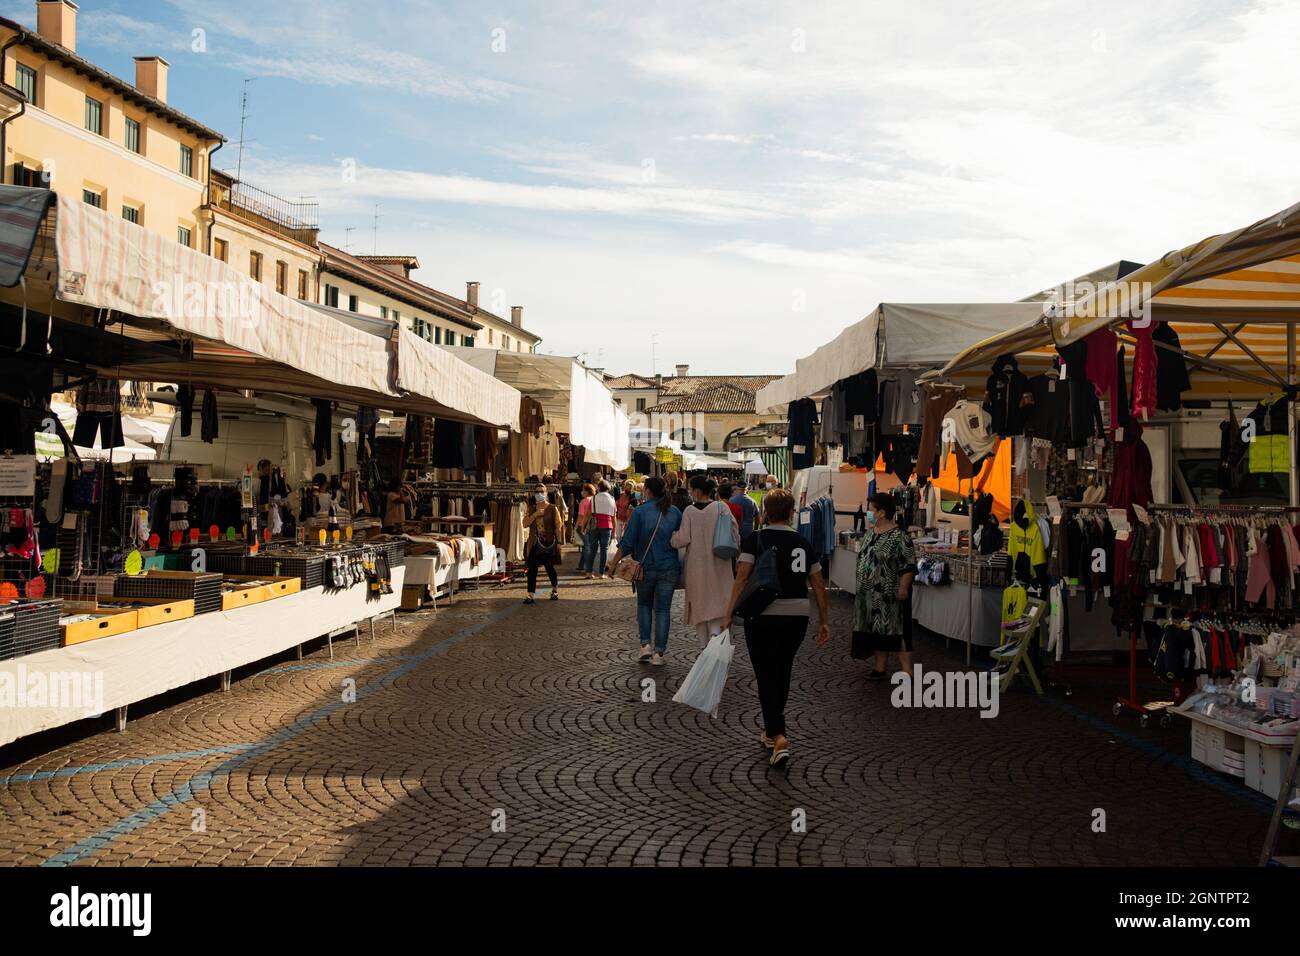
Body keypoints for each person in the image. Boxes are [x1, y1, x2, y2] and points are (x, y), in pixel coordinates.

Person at [723, 490, 831, 768]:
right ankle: (772, 732)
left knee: (765, 673)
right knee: (783, 671)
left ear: (766, 512)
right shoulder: (802, 542)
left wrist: (727, 612)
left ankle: (778, 734)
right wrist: (823, 619)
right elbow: (818, 584)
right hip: (797, 614)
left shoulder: (755, 539)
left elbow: (742, 577)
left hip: (763, 615)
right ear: (792, 512)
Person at [610, 475, 682, 666]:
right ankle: (659, 653)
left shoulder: (640, 512)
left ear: (648, 491)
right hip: (669, 567)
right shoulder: (674, 512)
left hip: (645, 567)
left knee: (644, 605)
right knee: (663, 610)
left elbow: (627, 543)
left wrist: (612, 564)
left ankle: (645, 646)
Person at [852, 493, 918, 680]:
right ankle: (880, 668)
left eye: (871, 509)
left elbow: (909, 565)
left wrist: (904, 587)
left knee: (898, 631)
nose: (868, 513)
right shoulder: (870, 533)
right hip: (869, 595)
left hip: (890, 594)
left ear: (881, 512)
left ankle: (907, 671)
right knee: (877, 631)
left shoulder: (899, 537)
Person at [670, 474, 739, 649]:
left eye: (692, 489)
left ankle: (703, 648)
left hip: (696, 567)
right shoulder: (721, 507)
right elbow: (734, 533)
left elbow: (682, 539)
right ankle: (715, 639)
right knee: (718, 603)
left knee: (699, 608)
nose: (690, 492)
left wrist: (672, 538)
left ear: (698, 491)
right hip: (720, 564)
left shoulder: (690, 511)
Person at [524, 483, 563, 604]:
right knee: (532, 569)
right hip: (535, 543)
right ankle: (530, 594)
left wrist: (559, 541)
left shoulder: (552, 508)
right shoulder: (531, 509)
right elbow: (525, 524)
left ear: (546, 493)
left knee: (549, 567)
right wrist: (535, 514)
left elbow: (558, 526)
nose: (539, 494)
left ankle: (554, 590)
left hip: (548, 543)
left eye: (542, 491)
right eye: (537, 492)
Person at [590, 481, 617, 578]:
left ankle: (589, 572)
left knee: (592, 549)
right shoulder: (612, 499)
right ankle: (601, 573)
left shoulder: (593, 498)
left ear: (599, 488)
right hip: (607, 525)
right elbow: (614, 517)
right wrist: (614, 531)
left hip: (595, 524)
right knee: (604, 549)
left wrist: (583, 526)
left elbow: (589, 513)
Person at [575, 483, 597, 579]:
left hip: (583, 525)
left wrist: (576, 526)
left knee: (586, 547)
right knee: (586, 546)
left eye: (583, 490)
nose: (582, 492)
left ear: (587, 491)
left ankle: (587, 567)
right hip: (593, 525)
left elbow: (580, 516)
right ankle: (581, 565)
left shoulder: (583, 501)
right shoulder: (595, 500)